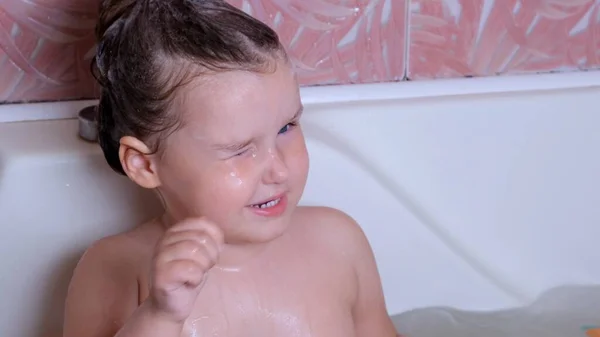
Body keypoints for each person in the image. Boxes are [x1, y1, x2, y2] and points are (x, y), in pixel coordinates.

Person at [63, 0, 398, 336]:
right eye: (239, 150)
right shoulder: (115, 268)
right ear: (145, 164)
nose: (278, 170)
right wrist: (161, 316)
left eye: (287, 127)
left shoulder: (338, 242)